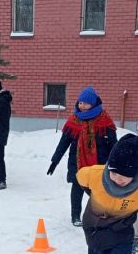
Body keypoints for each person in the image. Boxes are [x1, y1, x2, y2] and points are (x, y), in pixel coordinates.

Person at [48, 86, 117, 225]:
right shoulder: (74, 120)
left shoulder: (105, 120)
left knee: (97, 191)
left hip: (99, 163)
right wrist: (54, 161)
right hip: (77, 162)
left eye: (85, 103)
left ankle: (101, 213)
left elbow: (113, 144)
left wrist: (115, 163)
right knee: (77, 188)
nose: (82, 105)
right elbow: (64, 143)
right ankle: (75, 216)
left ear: (93, 104)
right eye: (80, 102)